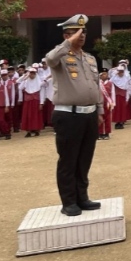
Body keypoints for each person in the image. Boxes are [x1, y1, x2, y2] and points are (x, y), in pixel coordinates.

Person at [46, 14, 104, 217]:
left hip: (88, 115)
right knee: (68, 160)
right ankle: (69, 201)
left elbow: (95, 86)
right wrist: (67, 44)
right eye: (76, 33)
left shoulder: (89, 58)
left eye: (83, 32)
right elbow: (49, 59)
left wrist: (99, 110)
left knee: (84, 159)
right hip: (68, 115)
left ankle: (82, 197)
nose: (81, 36)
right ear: (66, 35)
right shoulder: (60, 56)